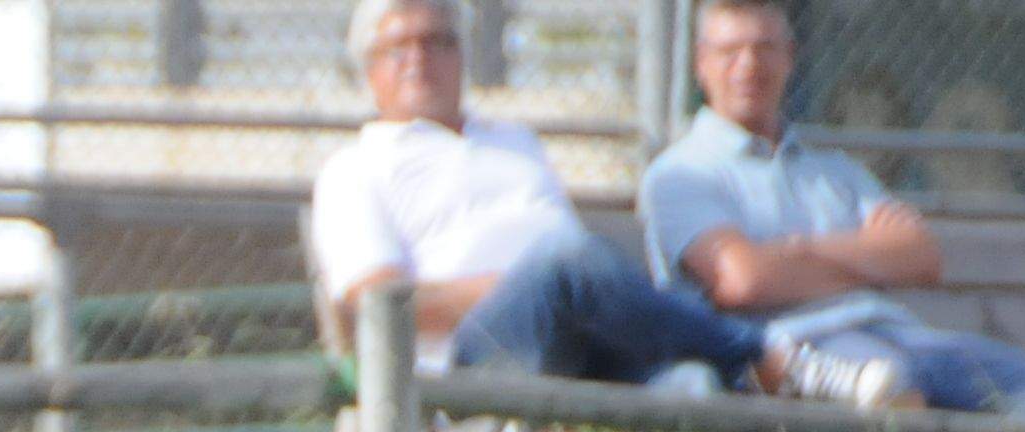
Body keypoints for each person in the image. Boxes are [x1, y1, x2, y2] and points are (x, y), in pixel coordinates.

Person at [640, 0, 1025, 432]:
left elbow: (919, 254)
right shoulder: (680, 174)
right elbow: (741, 279)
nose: (748, 66)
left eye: (765, 48)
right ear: (701, 64)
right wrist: (862, 254)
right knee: (894, 401)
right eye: (730, 51)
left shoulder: (833, 169)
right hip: (785, 355)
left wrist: (800, 253)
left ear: (790, 58)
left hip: (899, 338)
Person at [313, 0, 891, 405]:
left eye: (438, 41)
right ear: (369, 69)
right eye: (399, 46)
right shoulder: (354, 169)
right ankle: (776, 359)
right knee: (569, 260)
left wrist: (558, 285)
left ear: (462, 56)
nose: (420, 58)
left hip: (576, 339)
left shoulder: (514, 142)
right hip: (467, 365)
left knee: (687, 381)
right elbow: (380, 308)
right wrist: (525, 283)